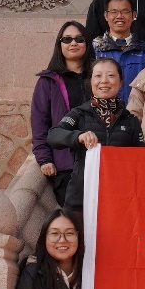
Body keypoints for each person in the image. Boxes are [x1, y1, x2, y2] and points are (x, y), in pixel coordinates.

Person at [47, 58, 145, 214]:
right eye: (98, 76)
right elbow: (54, 135)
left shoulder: (130, 120)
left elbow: (141, 160)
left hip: (118, 201)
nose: (104, 81)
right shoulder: (79, 114)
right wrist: (78, 136)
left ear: (120, 82)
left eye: (111, 76)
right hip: (80, 199)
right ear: (91, 81)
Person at [31, 22, 94, 206]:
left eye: (79, 39)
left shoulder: (98, 77)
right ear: (60, 44)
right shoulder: (48, 81)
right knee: (73, 217)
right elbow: (40, 123)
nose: (73, 43)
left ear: (87, 43)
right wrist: (44, 159)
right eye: (67, 39)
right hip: (65, 164)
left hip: (97, 161)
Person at [91, 0, 145, 105]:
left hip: (136, 112)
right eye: (114, 12)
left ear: (134, 15)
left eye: (125, 11)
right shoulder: (94, 48)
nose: (119, 16)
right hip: (101, 112)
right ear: (106, 16)